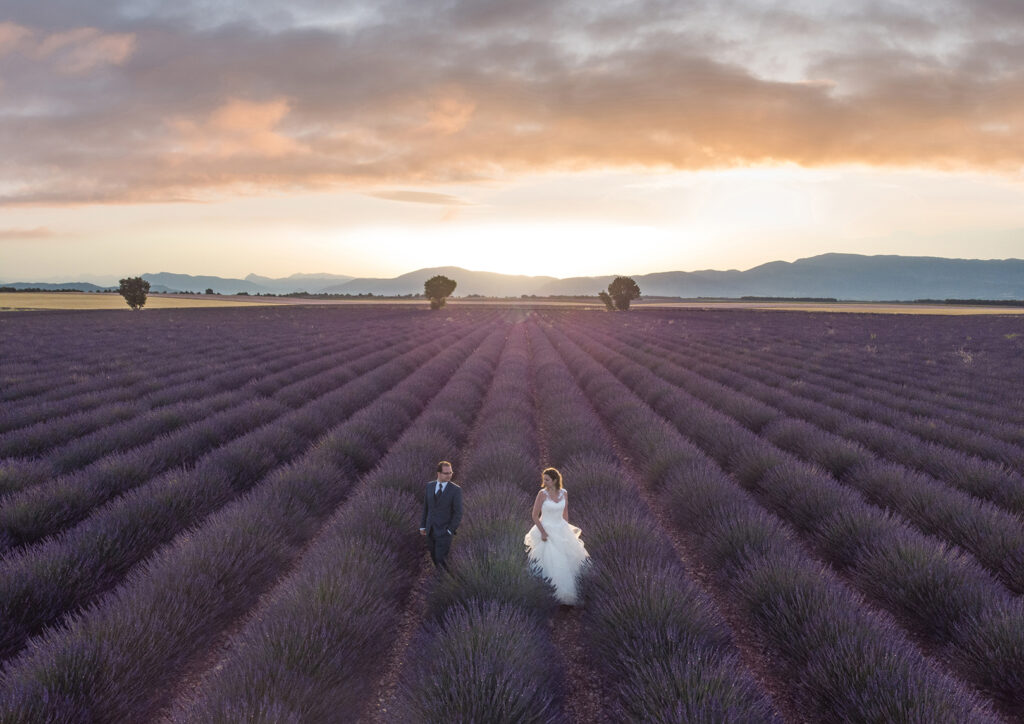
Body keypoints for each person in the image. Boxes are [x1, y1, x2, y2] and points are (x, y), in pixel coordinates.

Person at [524, 467, 590, 605]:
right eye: (544, 479)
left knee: (567, 562)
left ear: (554, 480)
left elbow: (565, 512)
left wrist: (565, 530)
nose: (544, 482)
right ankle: (550, 594)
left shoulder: (564, 493)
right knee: (550, 562)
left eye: (547, 479)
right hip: (546, 530)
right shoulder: (542, 494)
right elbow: (534, 516)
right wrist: (542, 532)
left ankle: (568, 595)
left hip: (560, 529)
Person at [420, 460, 463, 569]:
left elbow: (458, 513)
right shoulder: (430, 486)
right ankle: (441, 577)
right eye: (446, 473)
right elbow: (426, 507)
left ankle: (443, 580)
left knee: (441, 559)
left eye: (451, 473)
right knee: (434, 556)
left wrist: (450, 530)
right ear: (438, 473)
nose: (449, 475)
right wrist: (423, 525)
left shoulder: (455, 490)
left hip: (444, 531)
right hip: (430, 530)